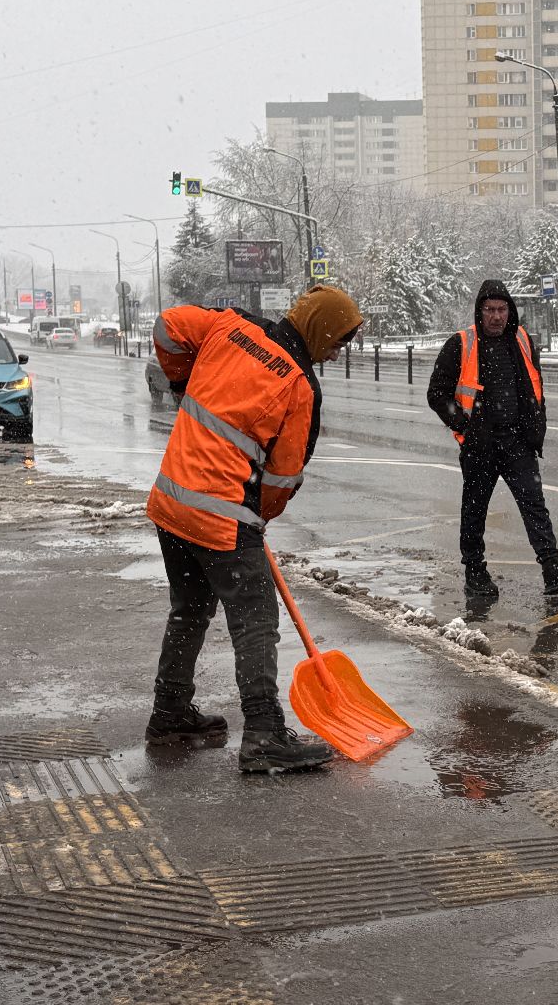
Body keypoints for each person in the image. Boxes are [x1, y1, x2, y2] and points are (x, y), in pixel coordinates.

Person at [143, 285, 363, 774]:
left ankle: (169, 713)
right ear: (321, 328)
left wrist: (182, 383)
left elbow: (168, 326)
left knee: (190, 610)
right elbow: (284, 477)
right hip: (222, 514)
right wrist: (257, 517)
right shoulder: (300, 385)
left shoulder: (231, 325)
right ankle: (263, 734)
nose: (337, 350)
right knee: (256, 618)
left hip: (171, 499)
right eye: (339, 340)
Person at [427, 279, 558, 599]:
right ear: (479, 312)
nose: (496, 316)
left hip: (517, 442)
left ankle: (552, 568)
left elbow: (535, 388)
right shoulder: (461, 344)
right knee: (475, 510)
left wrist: (535, 427)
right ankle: (475, 571)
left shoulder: (523, 340)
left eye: (502, 310)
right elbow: (436, 393)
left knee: (534, 504)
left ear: (509, 311)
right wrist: (463, 426)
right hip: (479, 445)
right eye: (490, 310)